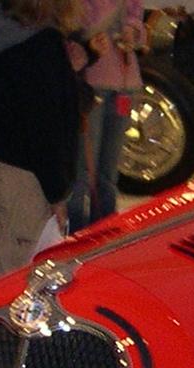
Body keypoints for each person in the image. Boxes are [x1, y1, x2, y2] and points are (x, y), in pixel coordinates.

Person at [0, 0, 83, 277]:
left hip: (1, 160)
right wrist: (57, 193)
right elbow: (44, 127)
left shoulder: (6, 32)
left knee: (2, 255)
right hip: (26, 173)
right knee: (19, 272)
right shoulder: (41, 45)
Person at [66, 0, 143, 231]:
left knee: (108, 170)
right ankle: (77, 231)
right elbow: (73, 24)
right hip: (91, 81)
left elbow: (135, 12)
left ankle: (105, 229)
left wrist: (132, 29)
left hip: (124, 81)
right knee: (83, 168)